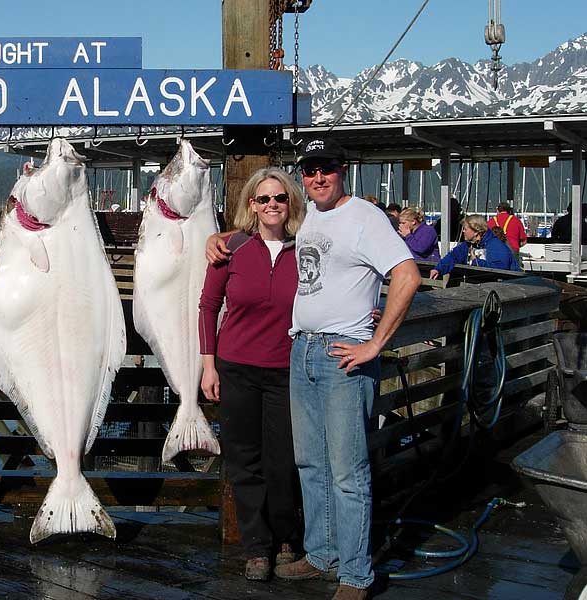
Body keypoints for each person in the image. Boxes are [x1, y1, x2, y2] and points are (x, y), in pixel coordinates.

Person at [208, 138, 421, 600]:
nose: (318, 178)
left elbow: (407, 274)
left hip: (343, 354)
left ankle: (356, 574)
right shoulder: (308, 220)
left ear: (342, 170)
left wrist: (376, 343)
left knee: (348, 471)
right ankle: (321, 553)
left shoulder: (364, 215)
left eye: (326, 168)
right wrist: (217, 238)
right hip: (299, 351)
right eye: (309, 170)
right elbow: (259, 235)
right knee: (310, 464)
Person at [198, 168, 305, 581]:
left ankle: (286, 539)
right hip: (237, 368)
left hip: (287, 370)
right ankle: (256, 547)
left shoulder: (307, 249)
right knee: (244, 461)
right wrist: (209, 365)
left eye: (279, 197)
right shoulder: (232, 248)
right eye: (263, 199)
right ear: (251, 205)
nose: (272, 205)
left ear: (290, 202)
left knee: (284, 461)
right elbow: (208, 306)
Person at [430, 214, 521, 278]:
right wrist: (438, 269)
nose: (463, 232)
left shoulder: (496, 246)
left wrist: (476, 262)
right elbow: (453, 256)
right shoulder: (468, 244)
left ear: (476, 232)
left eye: (465, 229)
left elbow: (500, 269)